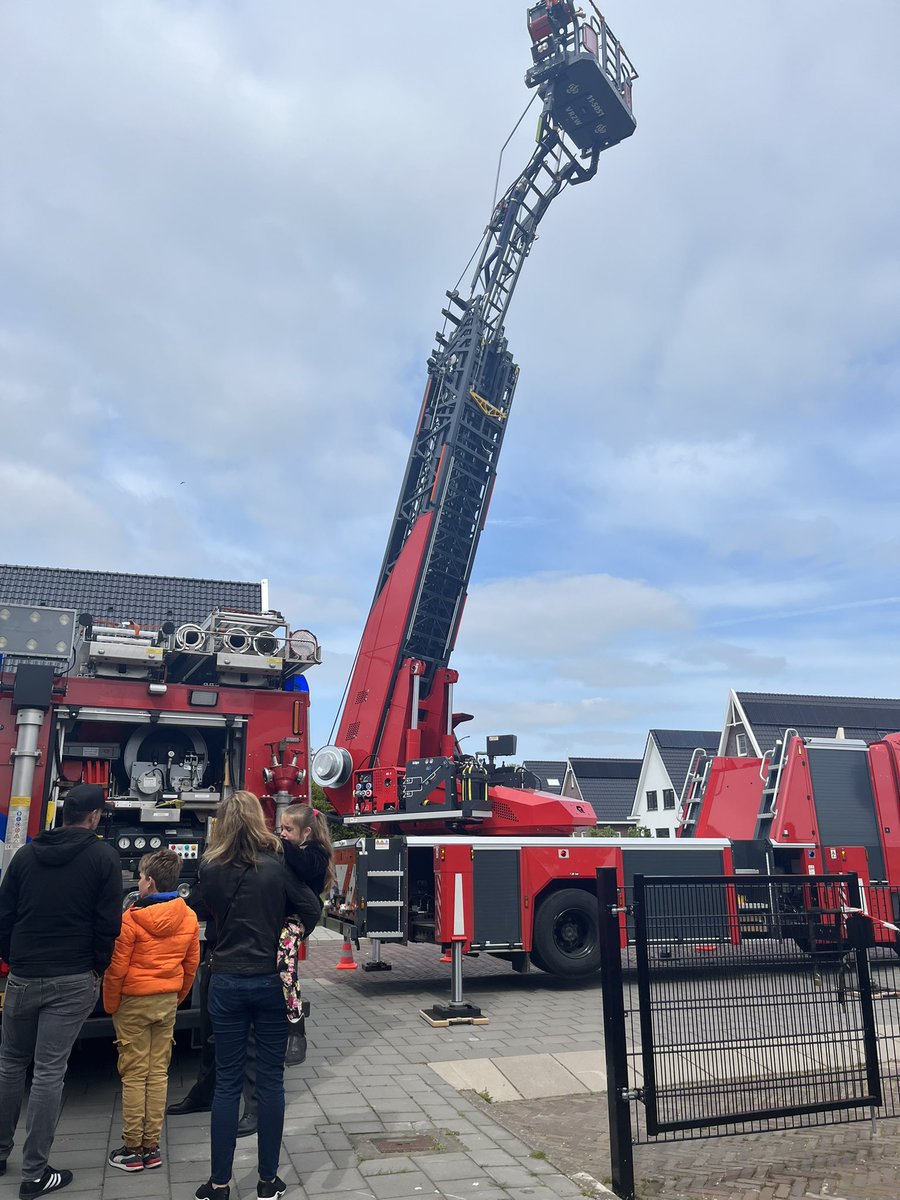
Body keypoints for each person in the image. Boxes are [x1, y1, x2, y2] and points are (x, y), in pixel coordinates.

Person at [191, 791, 320, 1200]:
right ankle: (267, 1181)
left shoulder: (210, 868)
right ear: (258, 822)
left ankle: (219, 1184)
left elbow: (195, 908)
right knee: (271, 1081)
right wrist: (290, 932)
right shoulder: (275, 867)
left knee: (228, 1083)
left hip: (226, 981)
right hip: (269, 982)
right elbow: (313, 908)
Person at [0, 783, 122, 1199]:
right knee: (49, 1071)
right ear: (93, 818)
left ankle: (0, 1153)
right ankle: (35, 1174)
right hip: (72, 977)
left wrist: (14, 958)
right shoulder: (103, 857)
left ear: (62, 813)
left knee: (10, 1064)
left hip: (23, 973)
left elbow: (5, 914)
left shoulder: (26, 855)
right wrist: (96, 969)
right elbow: (109, 922)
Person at [103, 848, 200, 1173]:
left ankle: (132, 1149)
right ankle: (152, 1147)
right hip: (166, 999)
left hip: (133, 1001)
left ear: (150, 883)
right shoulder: (186, 915)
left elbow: (117, 967)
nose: (139, 883)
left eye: (142, 878)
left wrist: (110, 1002)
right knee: (158, 1073)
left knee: (133, 1075)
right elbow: (191, 963)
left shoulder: (130, 919)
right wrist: (177, 995)